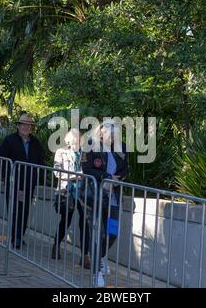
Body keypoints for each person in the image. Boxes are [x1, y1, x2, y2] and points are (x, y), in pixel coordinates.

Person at [81, 120, 129, 287]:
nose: (113, 136)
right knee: (98, 234)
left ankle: (101, 257)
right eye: (110, 133)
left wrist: (117, 180)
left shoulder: (121, 148)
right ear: (101, 132)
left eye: (115, 133)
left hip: (113, 197)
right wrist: (106, 178)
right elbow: (86, 169)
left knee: (112, 232)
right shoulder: (90, 144)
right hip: (94, 196)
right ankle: (96, 273)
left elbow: (125, 169)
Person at [0, 114, 45, 249]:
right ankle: (14, 236)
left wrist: (37, 180)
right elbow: (2, 160)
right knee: (14, 209)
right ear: (18, 126)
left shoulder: (35, 142)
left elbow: (40, 162)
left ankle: (19, 235)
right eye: (23, 125)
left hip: (29, 183)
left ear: (31, 128)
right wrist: (7, 177)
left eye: (28, 125)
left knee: (24, 210)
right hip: (14, 182)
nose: (26, 127)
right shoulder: (9, 140)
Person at [51, 128, 91, 269]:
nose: (75, 141)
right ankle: (56, 245)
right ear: (68, 140)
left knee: (84, 222)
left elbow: (89, 170)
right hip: (66, 190)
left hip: (83, 192)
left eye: (78, 139)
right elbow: (57, 171)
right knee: (66, 220)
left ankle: (85, 255)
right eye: (73, 139)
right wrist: (73, 176)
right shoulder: (61, 152)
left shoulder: (85, 154)